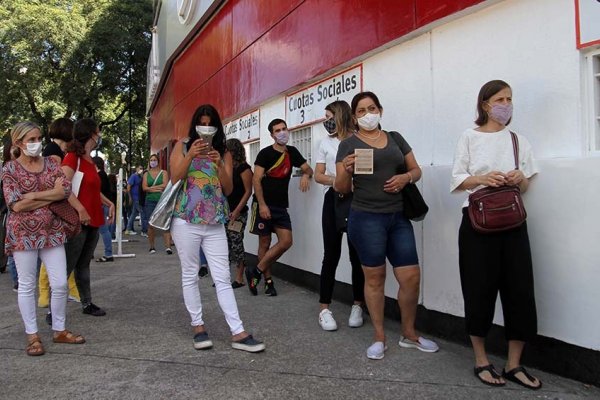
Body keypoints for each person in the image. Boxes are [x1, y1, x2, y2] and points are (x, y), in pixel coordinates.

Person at [451, 80, 541, 389]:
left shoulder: (518, 140)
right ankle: (481, 360)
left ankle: (515, 364)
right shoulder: (468, 137)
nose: (506, 104)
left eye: (509, 99)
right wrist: (482, 178)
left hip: (513, 223)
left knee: (520, 289)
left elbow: (527, 184)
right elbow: (458, 179)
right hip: (477, 222)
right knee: (479, 288)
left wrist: (518, 178)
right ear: (486, 104)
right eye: (500, 99)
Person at [335, 91, 439, 360]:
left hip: (398, 217)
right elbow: (341, 188)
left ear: (380, 109)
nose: (367, 114)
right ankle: (379, 336)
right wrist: (346, 170)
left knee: (411, 277)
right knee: (375, 278)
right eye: (360, 111)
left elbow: (416, 170)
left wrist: (405, 178)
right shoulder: (348, 145)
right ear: (354, 117)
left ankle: (409, 334)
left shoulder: (395, 138)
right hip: (366, 218)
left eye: (371, 108)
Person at [169, 104, 265, 352]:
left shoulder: (224, 151)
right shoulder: (182, 145)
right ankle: (198, 327)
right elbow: (174, 177)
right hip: (186, 218)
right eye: (201, 122)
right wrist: (191, 155)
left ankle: (238, 332)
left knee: (222, 276)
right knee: (190, 274)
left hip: (214, 221)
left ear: (217, 126)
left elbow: (229, 189)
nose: (206, 128)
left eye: (210, 123)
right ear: (194, 124)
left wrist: (220, 164)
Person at [2, 121, 85, 356]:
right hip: (23, 235)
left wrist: (34, 196)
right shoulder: (9, 169)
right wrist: (52, 195)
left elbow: (65, 191)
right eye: (31, 140)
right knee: (27, 285)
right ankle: (32, 335)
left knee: (59, 283)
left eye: (39, 138)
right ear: (18, 142)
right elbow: (16, 205)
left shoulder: (50, 164)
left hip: (52, 232)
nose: (36, 143)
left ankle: (59, 330)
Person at [247, 118, 313, 297]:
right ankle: (268, 282)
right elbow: (256, 180)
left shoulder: (292, 152)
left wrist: (306, 175)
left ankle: (256, 271)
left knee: (286, 241)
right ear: (272, 135)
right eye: (277, 130)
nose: (282, 132)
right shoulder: (265, 154)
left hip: (281, 206)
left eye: (284, 128)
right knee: (265, 242)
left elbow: (309, 169)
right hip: (263, 205)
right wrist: (262, 205)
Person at [314, 100, 365, 331]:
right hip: (333, 201)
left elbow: (365, 172)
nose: (327, 122)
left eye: (330, 116)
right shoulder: (324, 142)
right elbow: (318, 175)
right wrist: (340, 181)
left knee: (357, 256)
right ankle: (324, 308)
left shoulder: (359, 139)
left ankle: (358, 305)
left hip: (358, 201)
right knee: (331, 255)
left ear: (341, 115)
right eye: (325, 118)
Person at [61, 118, 114, 317]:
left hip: (93, 219)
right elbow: (63, 186)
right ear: (91, 133)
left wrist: (108, 202)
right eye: (98, 131)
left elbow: (91, 189)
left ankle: (87, 303)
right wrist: (80, 209)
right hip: (78, 221)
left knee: (83, 264)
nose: (100, 135)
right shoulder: (72, 157)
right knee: (67, 265)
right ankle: (53, 309)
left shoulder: (89, 159)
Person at [38, 118, 81, 309]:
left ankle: (59, 291)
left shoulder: (53, 150)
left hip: (54, 206)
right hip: (55, 208)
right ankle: (47, 294)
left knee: (58, 252)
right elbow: (59, 184)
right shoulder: (54, 153)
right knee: (54, 252)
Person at [224, 138, 253, 288]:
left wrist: (236, 211)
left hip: (238, 213)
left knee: (236, 243)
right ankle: (224, 278)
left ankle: (239, 277)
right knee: (225, 245)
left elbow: (248, 191)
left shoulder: (244, 168)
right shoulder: (226, 168)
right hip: (225, 212)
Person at [142, 154, 172, 254]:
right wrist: (156, 188)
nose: (153, 162)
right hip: (149, 201)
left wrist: (151, 189)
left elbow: (165, 185)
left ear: (158, 161)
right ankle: (152, 246)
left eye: (154, 160)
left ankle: (168, 247)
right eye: (151, 160)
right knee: (150, 224)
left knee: (165, 223)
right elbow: (144, 188)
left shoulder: (164, 172)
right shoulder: (146, 174)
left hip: (162, 201)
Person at [93, 156, 114, 262]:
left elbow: (98, 192)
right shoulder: (103, 175)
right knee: (100, 230)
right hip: (104, 205)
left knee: (103, 230)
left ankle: (108, 253)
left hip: (102, 205)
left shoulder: (99, 175)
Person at [125, 166, 146, 236]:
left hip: (138, 198)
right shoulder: (133, 176)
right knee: (142, 213)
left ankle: (128, 229)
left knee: (133, 214)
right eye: (139, 168)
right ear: (136, 169)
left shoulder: (140, 177)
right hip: (136, 198)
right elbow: (128, 187)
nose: (141, 170)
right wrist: (130, 197)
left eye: (142, 168)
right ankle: (144, 231)